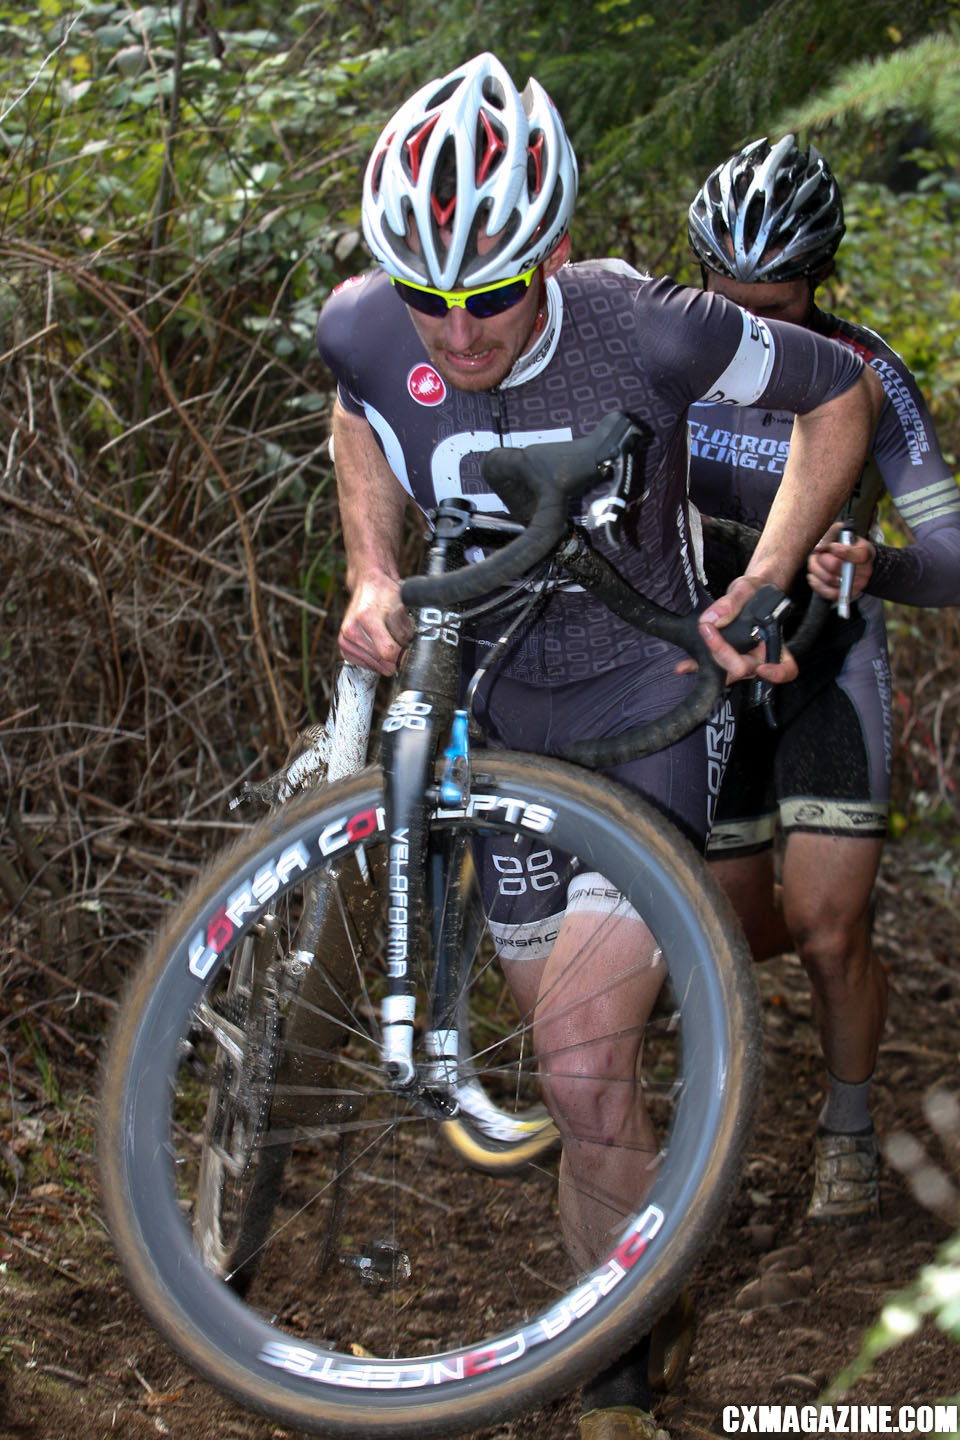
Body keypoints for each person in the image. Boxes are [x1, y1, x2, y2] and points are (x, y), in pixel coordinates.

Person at [316, 57, 881, 1440]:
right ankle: (641, 1281)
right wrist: (371, 571)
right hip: (492, 715)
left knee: (581, 1062)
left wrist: (777, 568)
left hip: (640, 700)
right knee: (583, 1083)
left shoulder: (656, 329)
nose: (457, 332)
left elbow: (843, 397)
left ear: (555, 253)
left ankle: (613, 1370)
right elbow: (361, 417)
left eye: (494, 294)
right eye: (427, 297)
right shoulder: (362, 328)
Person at [686, 134, 960, 1228]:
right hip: (701, 662)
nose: (758, 327)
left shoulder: (867, 372)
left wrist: (872, 562)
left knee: (831, 931)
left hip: (826, 662)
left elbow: (952, 557)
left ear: (821, 280)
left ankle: (848, 1126)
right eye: (732, 300)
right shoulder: (666, 346)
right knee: (739, 930)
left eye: (782, 305)